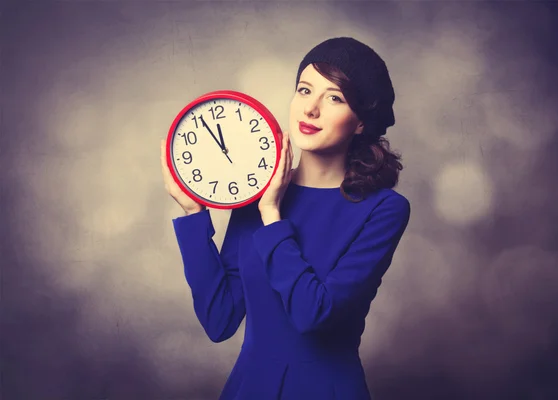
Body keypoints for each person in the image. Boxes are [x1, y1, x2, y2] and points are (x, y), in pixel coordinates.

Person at [160, 37, 411, 400]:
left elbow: (314, 315)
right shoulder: (254, 194)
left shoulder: (384, 210)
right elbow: (219, 319)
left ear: (359, 123)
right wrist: (193, 216)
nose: (310, 109)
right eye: (305, 90)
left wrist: (271, 214)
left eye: (335, 97)